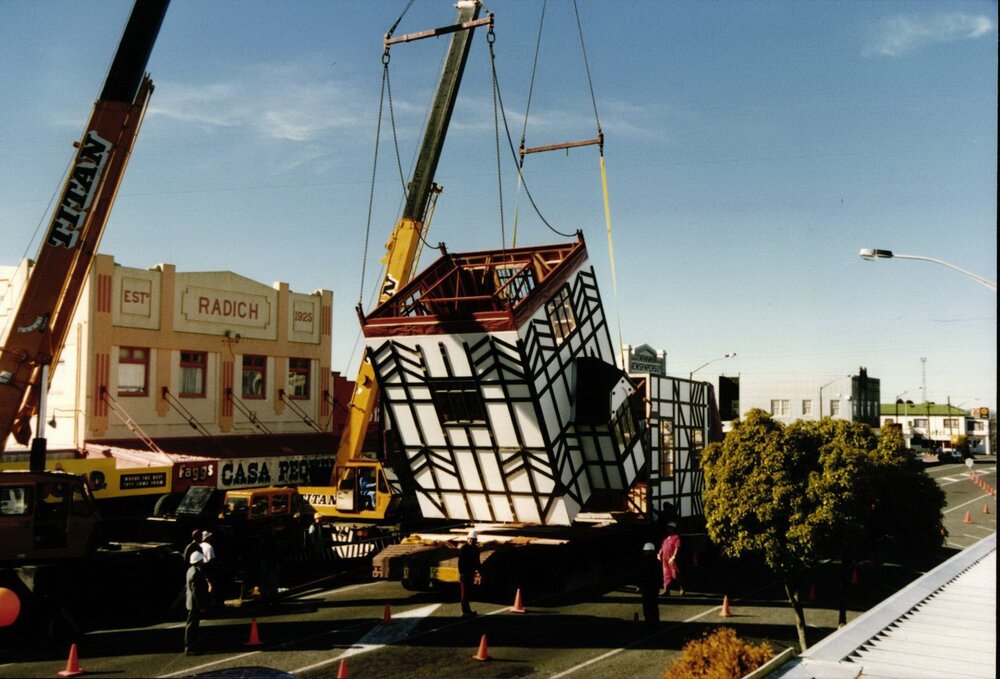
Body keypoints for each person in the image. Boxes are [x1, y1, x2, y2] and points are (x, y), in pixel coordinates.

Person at [185, 551, 209, 655]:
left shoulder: (190, 570)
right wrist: (201, 605)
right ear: (199, 561)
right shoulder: (196, 573)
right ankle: (190, 648)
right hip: (195, 604)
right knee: (192, 627)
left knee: (192, 626)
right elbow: (197, 592)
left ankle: (192, 646)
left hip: (191, 603)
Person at [457, 530, 480, 617]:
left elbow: (477, 562)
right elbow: (460, 562)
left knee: (468, 593)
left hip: (470, 573)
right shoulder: (464, 549)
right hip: (465, 574)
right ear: (467, 539)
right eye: (469, 539)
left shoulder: (476, 550)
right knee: (464, 593)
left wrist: (480, 572)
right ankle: (465, 611)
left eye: (473, 539)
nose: (471, 541)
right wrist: (461, 573)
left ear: (475, 540)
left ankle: (467, 610)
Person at [639, 542, 661, 628]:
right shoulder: (657, 562)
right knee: (654, 605)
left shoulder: (646, 562)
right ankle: (655, 622)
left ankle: (649, 622)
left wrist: (641, 586)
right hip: (655, 587)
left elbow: (644, 575)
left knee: (647, 605)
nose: (645, 552)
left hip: (648, 587)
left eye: (646, 551)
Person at [659, 523, 684, 596]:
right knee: (666, 574)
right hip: (665, 558)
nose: (669, 529)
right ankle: (666, 590)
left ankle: (682, 587)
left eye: (671, 528)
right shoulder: (666, 539)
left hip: (672, 558)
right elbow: (662, 547)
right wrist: (659, 554)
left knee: (675, 574)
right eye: (668, 528)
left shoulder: (676, 537)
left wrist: (673, 557)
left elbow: (677, 547)